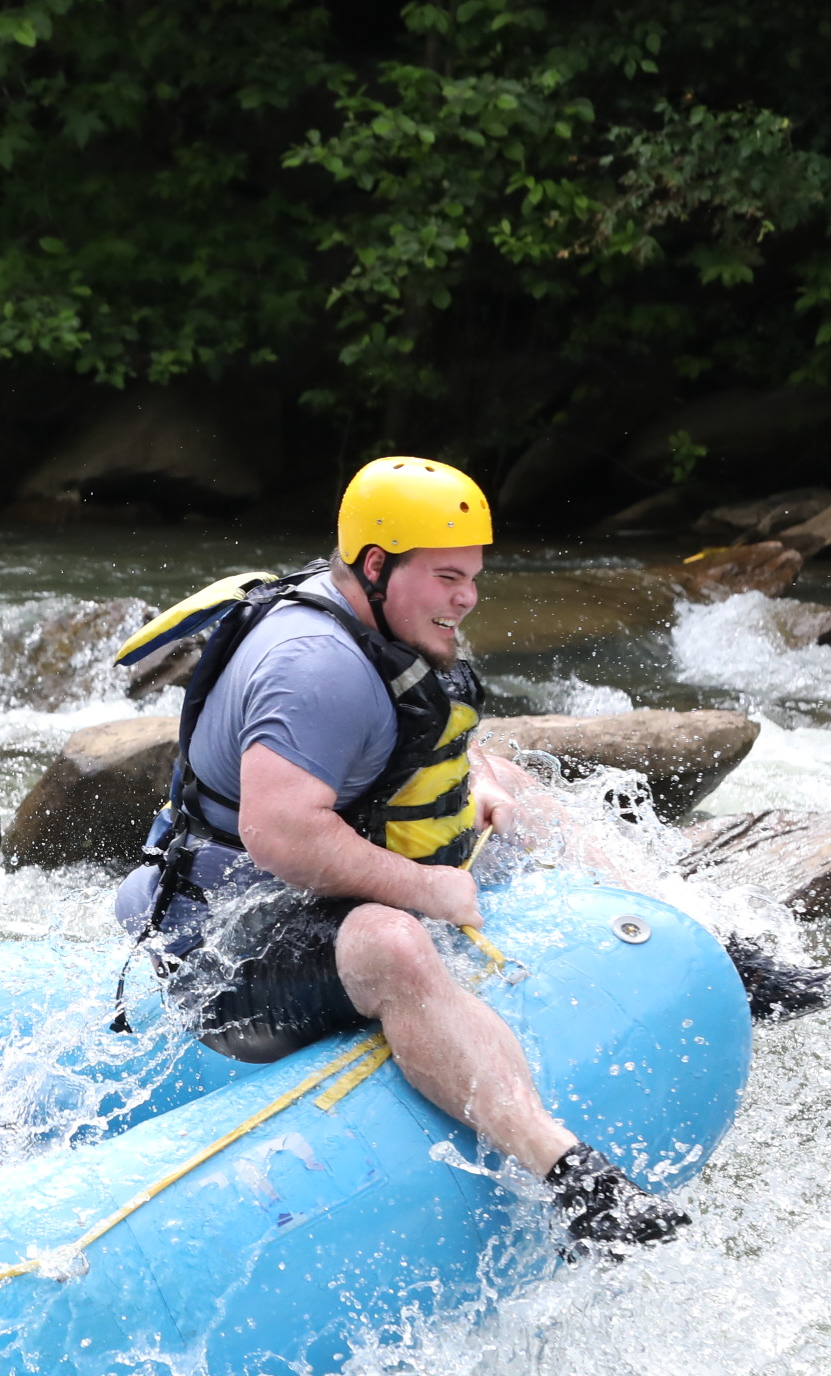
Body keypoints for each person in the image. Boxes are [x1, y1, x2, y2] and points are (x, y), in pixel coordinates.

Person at [114, 456, 689, 1251]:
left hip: (290, 895)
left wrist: (471, 791)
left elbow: (413, 757)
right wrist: (425, 887)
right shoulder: (314, 668)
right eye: (448, 576)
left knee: (505, 780)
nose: (468, 598)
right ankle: (577, 1183)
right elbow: (279, 835)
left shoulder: (368, 621)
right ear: (377, 567)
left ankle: (705, 940)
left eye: (474, 577)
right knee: (393, 941)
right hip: (216, 947)